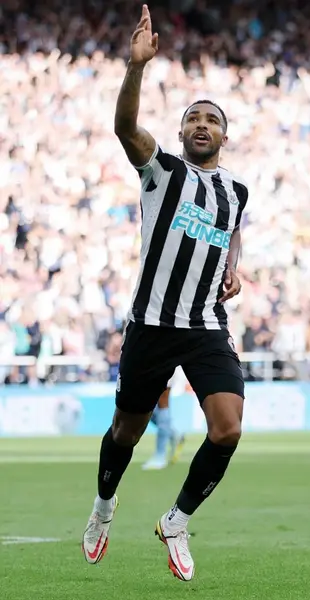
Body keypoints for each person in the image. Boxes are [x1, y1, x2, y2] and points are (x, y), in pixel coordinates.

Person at [81, 5, 249, 582]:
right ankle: (105, 505)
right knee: (126, 432)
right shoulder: (162, 172)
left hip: (205, 324)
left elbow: (232, 235)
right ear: (181, 133)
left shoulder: (238, 192)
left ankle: (176, 519)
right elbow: (125, 129)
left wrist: (235, 266)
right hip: (151, 323)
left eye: (212, 120)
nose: (202, 125)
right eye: (194, 119)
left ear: (225, 134)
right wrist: (136, 68)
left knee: (227, 429)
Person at [142, 366, 188, 471]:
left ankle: (160, 456)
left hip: (165, 358)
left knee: (162, 402)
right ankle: (174, 435)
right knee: (143, 406)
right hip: (145, 361)